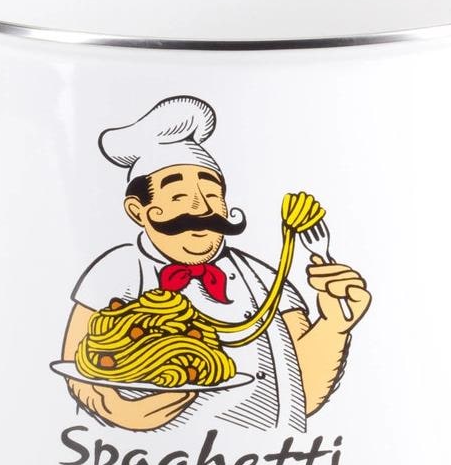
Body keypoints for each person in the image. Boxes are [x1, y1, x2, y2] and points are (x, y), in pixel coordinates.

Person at [62, 96, 371, 432]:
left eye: (212, 195)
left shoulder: (266, 279)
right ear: (138, 211)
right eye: (178, 196)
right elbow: (78, 364)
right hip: (148, 457)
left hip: (277, 455)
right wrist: (123, 412)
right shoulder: (117, 270)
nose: (201, 208)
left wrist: (334, 326)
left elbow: (304, 391)